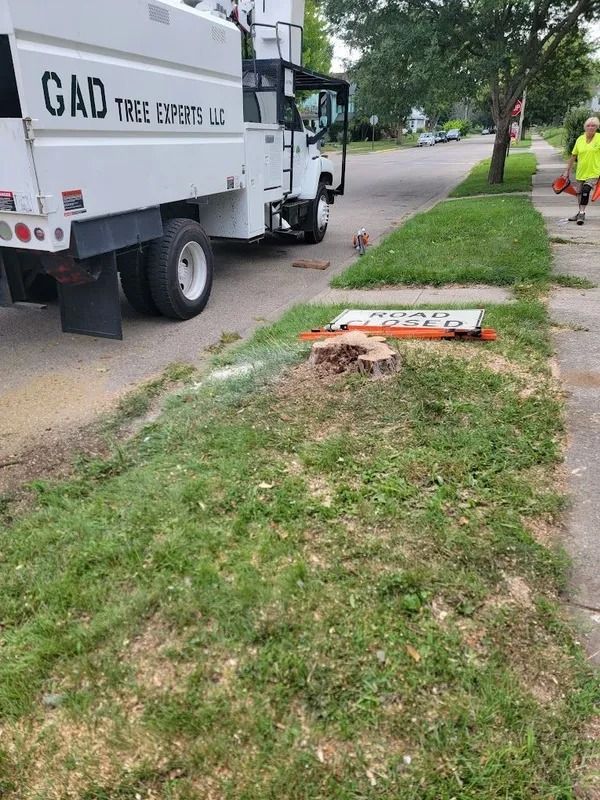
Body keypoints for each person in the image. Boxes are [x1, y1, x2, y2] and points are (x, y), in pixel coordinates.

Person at [562, 116, 600, 225]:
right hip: (581, 172)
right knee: (579, 193)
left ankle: (582, 213)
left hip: (594, 171)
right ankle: (580, 212)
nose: (591, 127)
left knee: (585, 191)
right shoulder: (579, 139)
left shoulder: (599, 138)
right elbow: (573, 156)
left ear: (597, 127)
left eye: (593, 126)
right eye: (588, 125)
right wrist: (567, 171)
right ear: (585, 127)